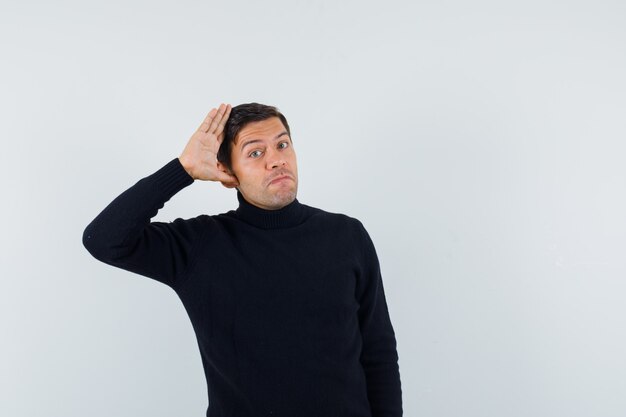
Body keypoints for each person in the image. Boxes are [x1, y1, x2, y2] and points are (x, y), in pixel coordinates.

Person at [83, 102, 402, 416]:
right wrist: (182, 170)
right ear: (226, 172)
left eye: (282, 145)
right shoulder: (200, 246)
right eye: (255, 152)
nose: (276, 161)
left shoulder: (347, 236)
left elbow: (378, 352)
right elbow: (104, 240)